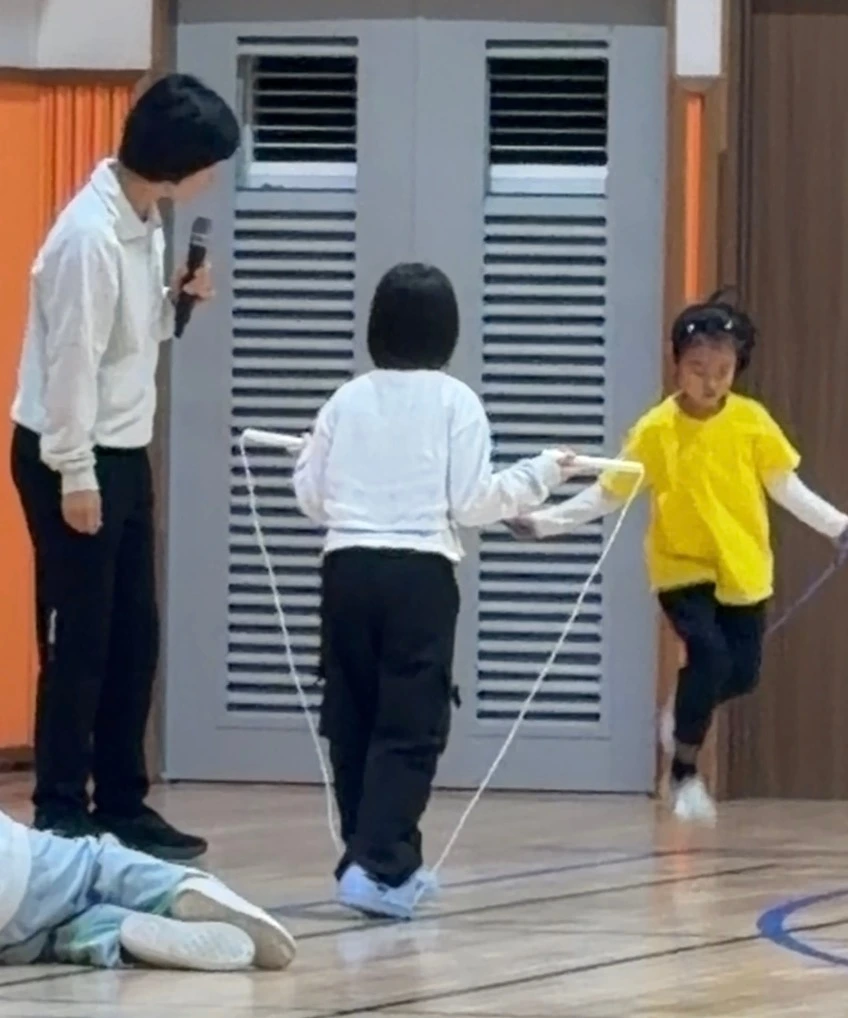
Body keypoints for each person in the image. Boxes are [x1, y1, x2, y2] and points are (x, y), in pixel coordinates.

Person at [509, 290, 848, 824]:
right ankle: (683, 772)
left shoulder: (751, 421)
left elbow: (784, 486)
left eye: (722, 371)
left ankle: (681, 707)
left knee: (742, 674)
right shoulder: (657, 430)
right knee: (709, 654)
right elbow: (610, 492)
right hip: (681, 567)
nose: (710, 381)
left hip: (743, 566)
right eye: (698, 369)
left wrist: (839, 526)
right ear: (677, 365)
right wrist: (544, 523)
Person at [292, 263, 577, 920]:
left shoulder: (344, 400)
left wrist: (307, 455)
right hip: (419, 577)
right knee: (410, 721)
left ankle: (379, 860)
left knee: (353, 716)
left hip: (346, 571)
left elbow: (313, 500)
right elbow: (473, 504)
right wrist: (541, 473)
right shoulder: (457, 401)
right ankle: (378, 863)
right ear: (447, 331)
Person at [9, 74, 240, 860]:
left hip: (121, 445)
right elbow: (71, 365)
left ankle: (122, 801)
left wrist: (178, 303)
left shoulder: (143, 220)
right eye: (210, 163)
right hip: (69, 451)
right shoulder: (90, 239)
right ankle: (60, 807)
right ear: (177, 164)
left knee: (133, 636)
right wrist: (75, 473)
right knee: (79, 638)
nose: (214, 178)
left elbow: (133, 339)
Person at [0, 806, 295, 970]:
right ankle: (176, 887)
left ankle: (117, 932)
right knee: (96, 864)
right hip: (17, 868)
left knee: (44, 939)